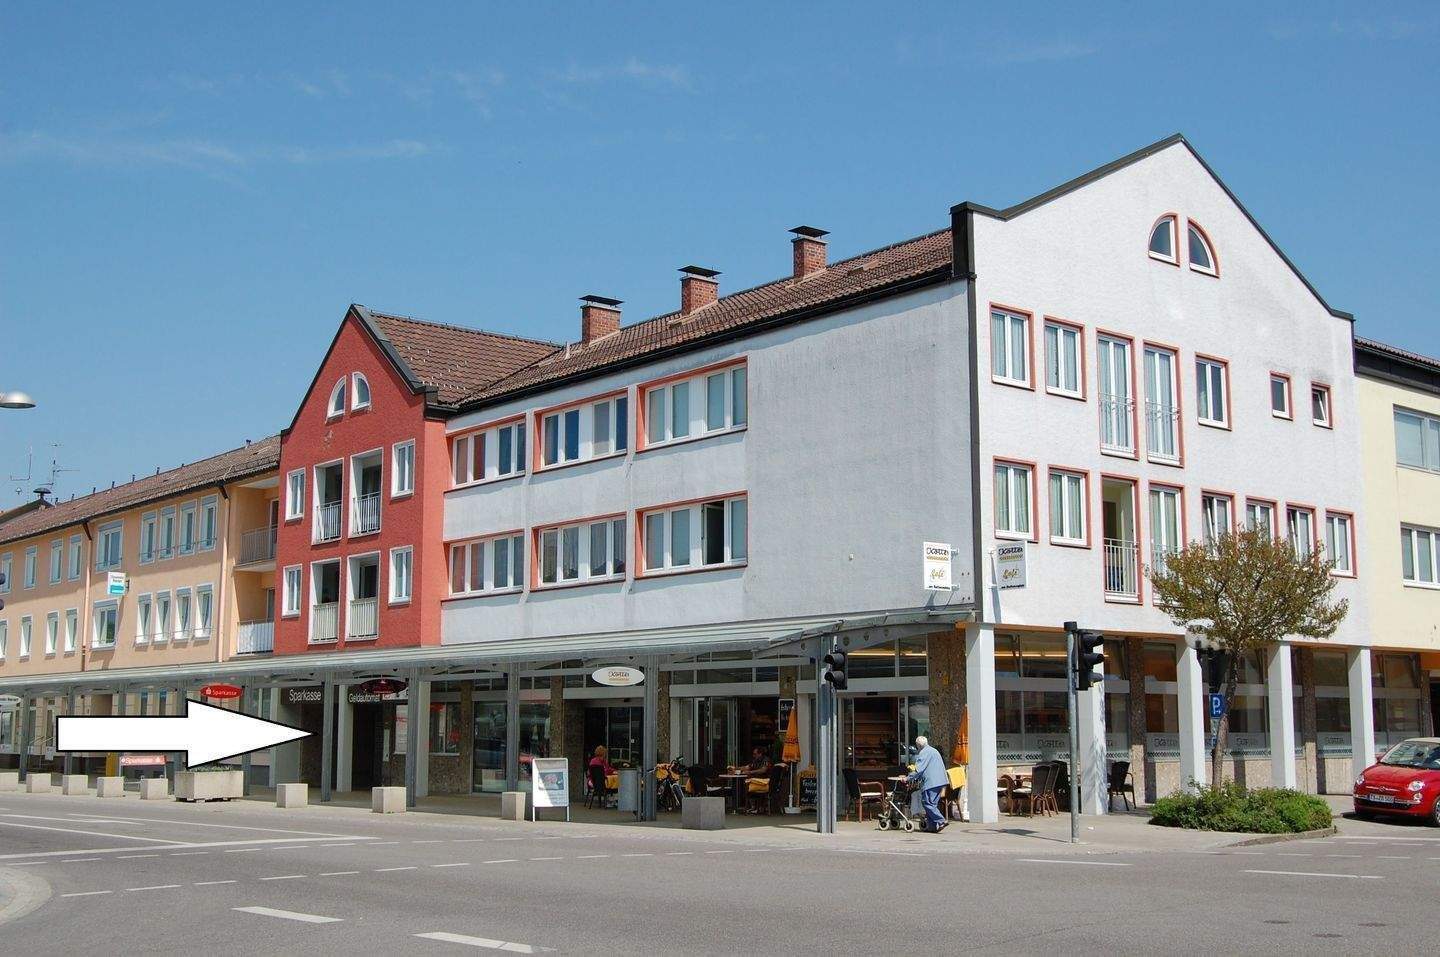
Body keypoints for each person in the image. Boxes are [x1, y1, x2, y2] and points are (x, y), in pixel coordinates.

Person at [907, 735, 948, 833]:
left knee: (927, 803)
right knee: (932, 804)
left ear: (918, 745)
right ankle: (932, 827)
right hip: (940, 781)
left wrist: (908, 778)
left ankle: (941, 820)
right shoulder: (933, 751)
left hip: (931, 782)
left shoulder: (924, 752)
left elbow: (919, 769)